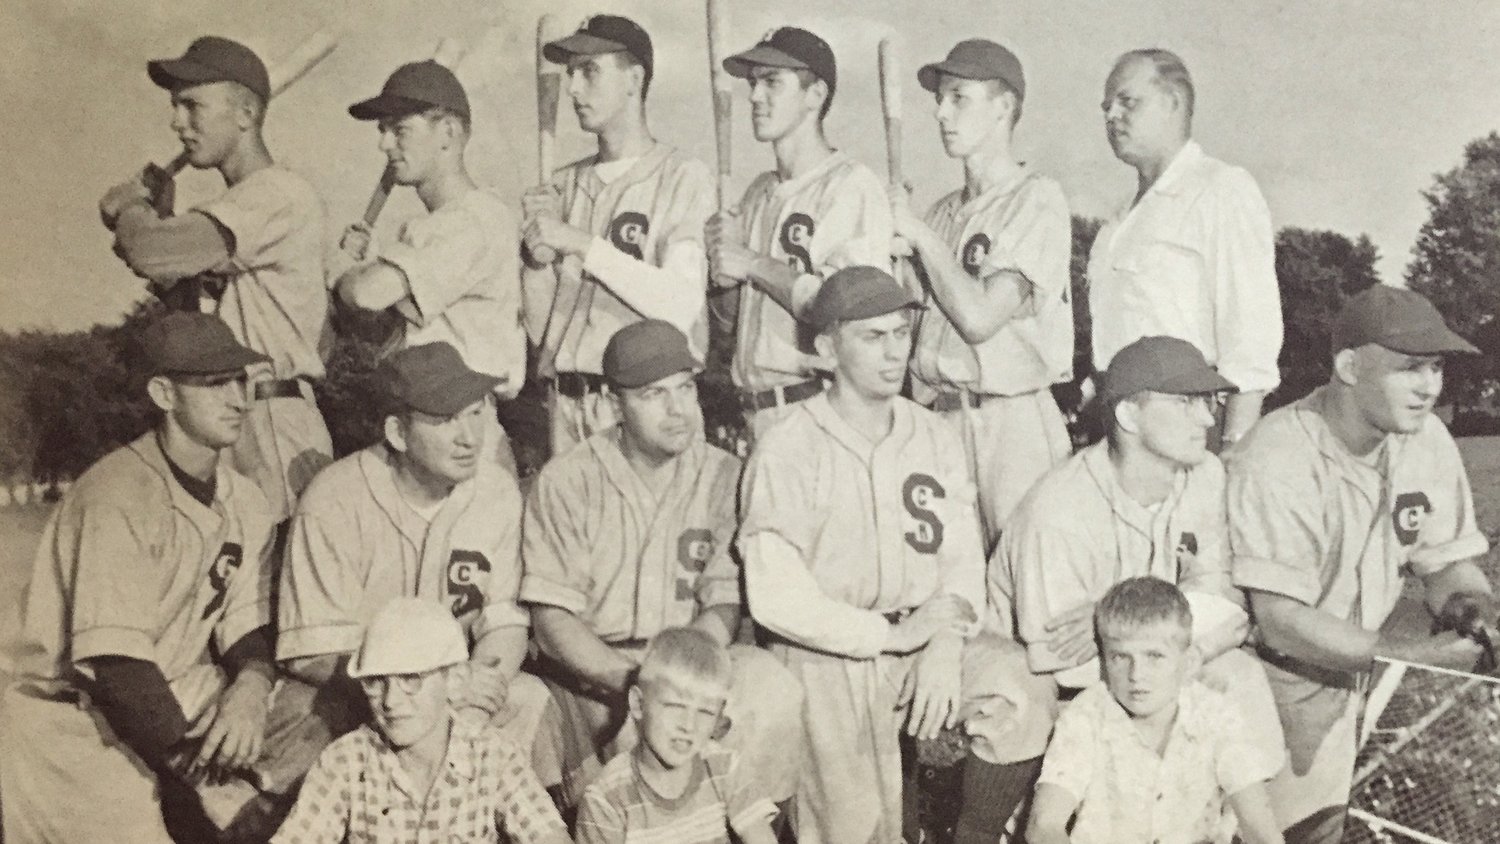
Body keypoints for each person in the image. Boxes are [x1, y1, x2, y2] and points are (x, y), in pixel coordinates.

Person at [737, 265, 1050, 844]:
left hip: (924, 639)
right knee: (859, 829)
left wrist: (945, 640)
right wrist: (890, 637)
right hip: (828, 654)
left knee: (1016, 685)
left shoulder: (932, 433)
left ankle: (974, 836)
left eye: (901, 334)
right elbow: (775, 597)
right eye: (871, 337)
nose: (894, 354)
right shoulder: (788, 446)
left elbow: (961, 561)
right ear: (827, 349)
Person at [0, 313, 291, 842]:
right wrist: (204, 780)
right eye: (213, 383)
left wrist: (251, 684)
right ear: (164, 393)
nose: (238, 398)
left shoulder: (244, 498)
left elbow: (246, 626)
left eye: (240, 379)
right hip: (73, 726)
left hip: (167, 696)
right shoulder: (117, 494)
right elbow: (118, 667)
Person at [1227, 285, 1496, 843]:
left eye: (1437, 368)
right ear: (1349, 366)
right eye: (1409, 369)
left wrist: (1475, 608)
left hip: (1360, 679)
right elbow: (1280, 620)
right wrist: (1409, 657)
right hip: (1265, 684)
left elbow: (1447, 562)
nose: (1429, 387)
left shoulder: (1426, 438)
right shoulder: (1278, 454)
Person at [521, 319, 802, 808]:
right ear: (612, 406)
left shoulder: (723, 474)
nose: (678, 411)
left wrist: (677, 681)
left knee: (770, 688)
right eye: (654, 394)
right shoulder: (568, 480)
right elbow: (551, 619)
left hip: (687, 661)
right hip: (591, 676)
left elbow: (723, 603)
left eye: (686, 389)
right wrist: (632, 684)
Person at [277, 341, 549, 769]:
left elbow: (504, 619)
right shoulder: (333, 500)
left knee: (527, 698)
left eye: (476, 412)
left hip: (456, 688)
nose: (469, 438)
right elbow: (311, 653)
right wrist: (435, 687)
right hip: (359, 694)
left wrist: (474, 695)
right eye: (444, 420)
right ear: (398, 434)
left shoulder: (495, 490)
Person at [98, 35, 332, 524]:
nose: (177, 122)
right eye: (174, 106)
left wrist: (133, 209)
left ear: (246, 114)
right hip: (230, 414)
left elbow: (152, 251)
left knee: (275, 591)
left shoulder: (278, 193)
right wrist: (152, 216)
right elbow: (185, 307)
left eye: (192, 106)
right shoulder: (236, 209)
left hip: (273, 420)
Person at [892, 39, 1073, 547]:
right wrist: (896, 257)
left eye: (957, 97)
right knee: (952, 586)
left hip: (1011, 423)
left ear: (1004, 107)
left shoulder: (1035, 198)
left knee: (1027, 588)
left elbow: (978, 318)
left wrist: (921, 240)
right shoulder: (942, 212)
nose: (940, 111)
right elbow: (912, 322)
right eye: (939, 98)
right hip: (942, 419)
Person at [522, 14, 714, 456]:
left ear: (634, 79)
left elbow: (680, 305)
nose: (572, 88)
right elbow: (538, 330)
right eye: (570, 73)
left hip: (646, 405)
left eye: (590, 71)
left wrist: (580, 243)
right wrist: (537, 261)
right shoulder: (562, 184)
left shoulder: (682, 176)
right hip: (567, 407)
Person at [334, 59, 525, 473]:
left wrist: (346, 275)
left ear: (449, 134)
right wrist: (366, 265)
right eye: (382, 130)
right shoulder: (429, 227)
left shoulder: (475, 218)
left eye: (399, 129)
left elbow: (368, 294)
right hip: (423, 426)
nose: (384, 145)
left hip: (464, 431)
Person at [1087, 49, 1282, 447]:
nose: (1111, 116)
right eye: (1107, 106)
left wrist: (1233, 450)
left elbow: (1250, 336)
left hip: (1192, 423)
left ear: (1172, 104)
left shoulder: (1221, 190)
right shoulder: (1119, 220)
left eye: (1127, 102)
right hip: (1120, 426)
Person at [707, 27, 895, 437]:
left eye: (772, 82)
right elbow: (726, 328)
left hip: (819, 407)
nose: (755, 96)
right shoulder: (757, 193)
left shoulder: (851, 186)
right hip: (754, 412)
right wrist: (722, 273)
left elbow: (844, 312)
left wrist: (752, 263)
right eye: (754, 83)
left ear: (815, 94)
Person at [272, 598, 570, 844]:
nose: (390, 701)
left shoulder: (494, 755)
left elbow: (549, 836)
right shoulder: (345, 762)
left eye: (410, 679)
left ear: (454, 681)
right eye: (375, 681)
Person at [1028, 578, 1284, 844]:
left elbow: (1259, 825)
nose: (1136, 675)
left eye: (1154, 657)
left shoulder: (1216, 713)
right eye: (1120, 657)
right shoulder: (1085, 716)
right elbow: (1043, 824)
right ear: (1104, 660)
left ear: (1186, 661)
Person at [574, 627, 778, 844]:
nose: (688, 726)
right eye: (674, 706)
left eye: (705, 712)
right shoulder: (607, 798)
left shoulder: (724, 766)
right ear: (638, 704)